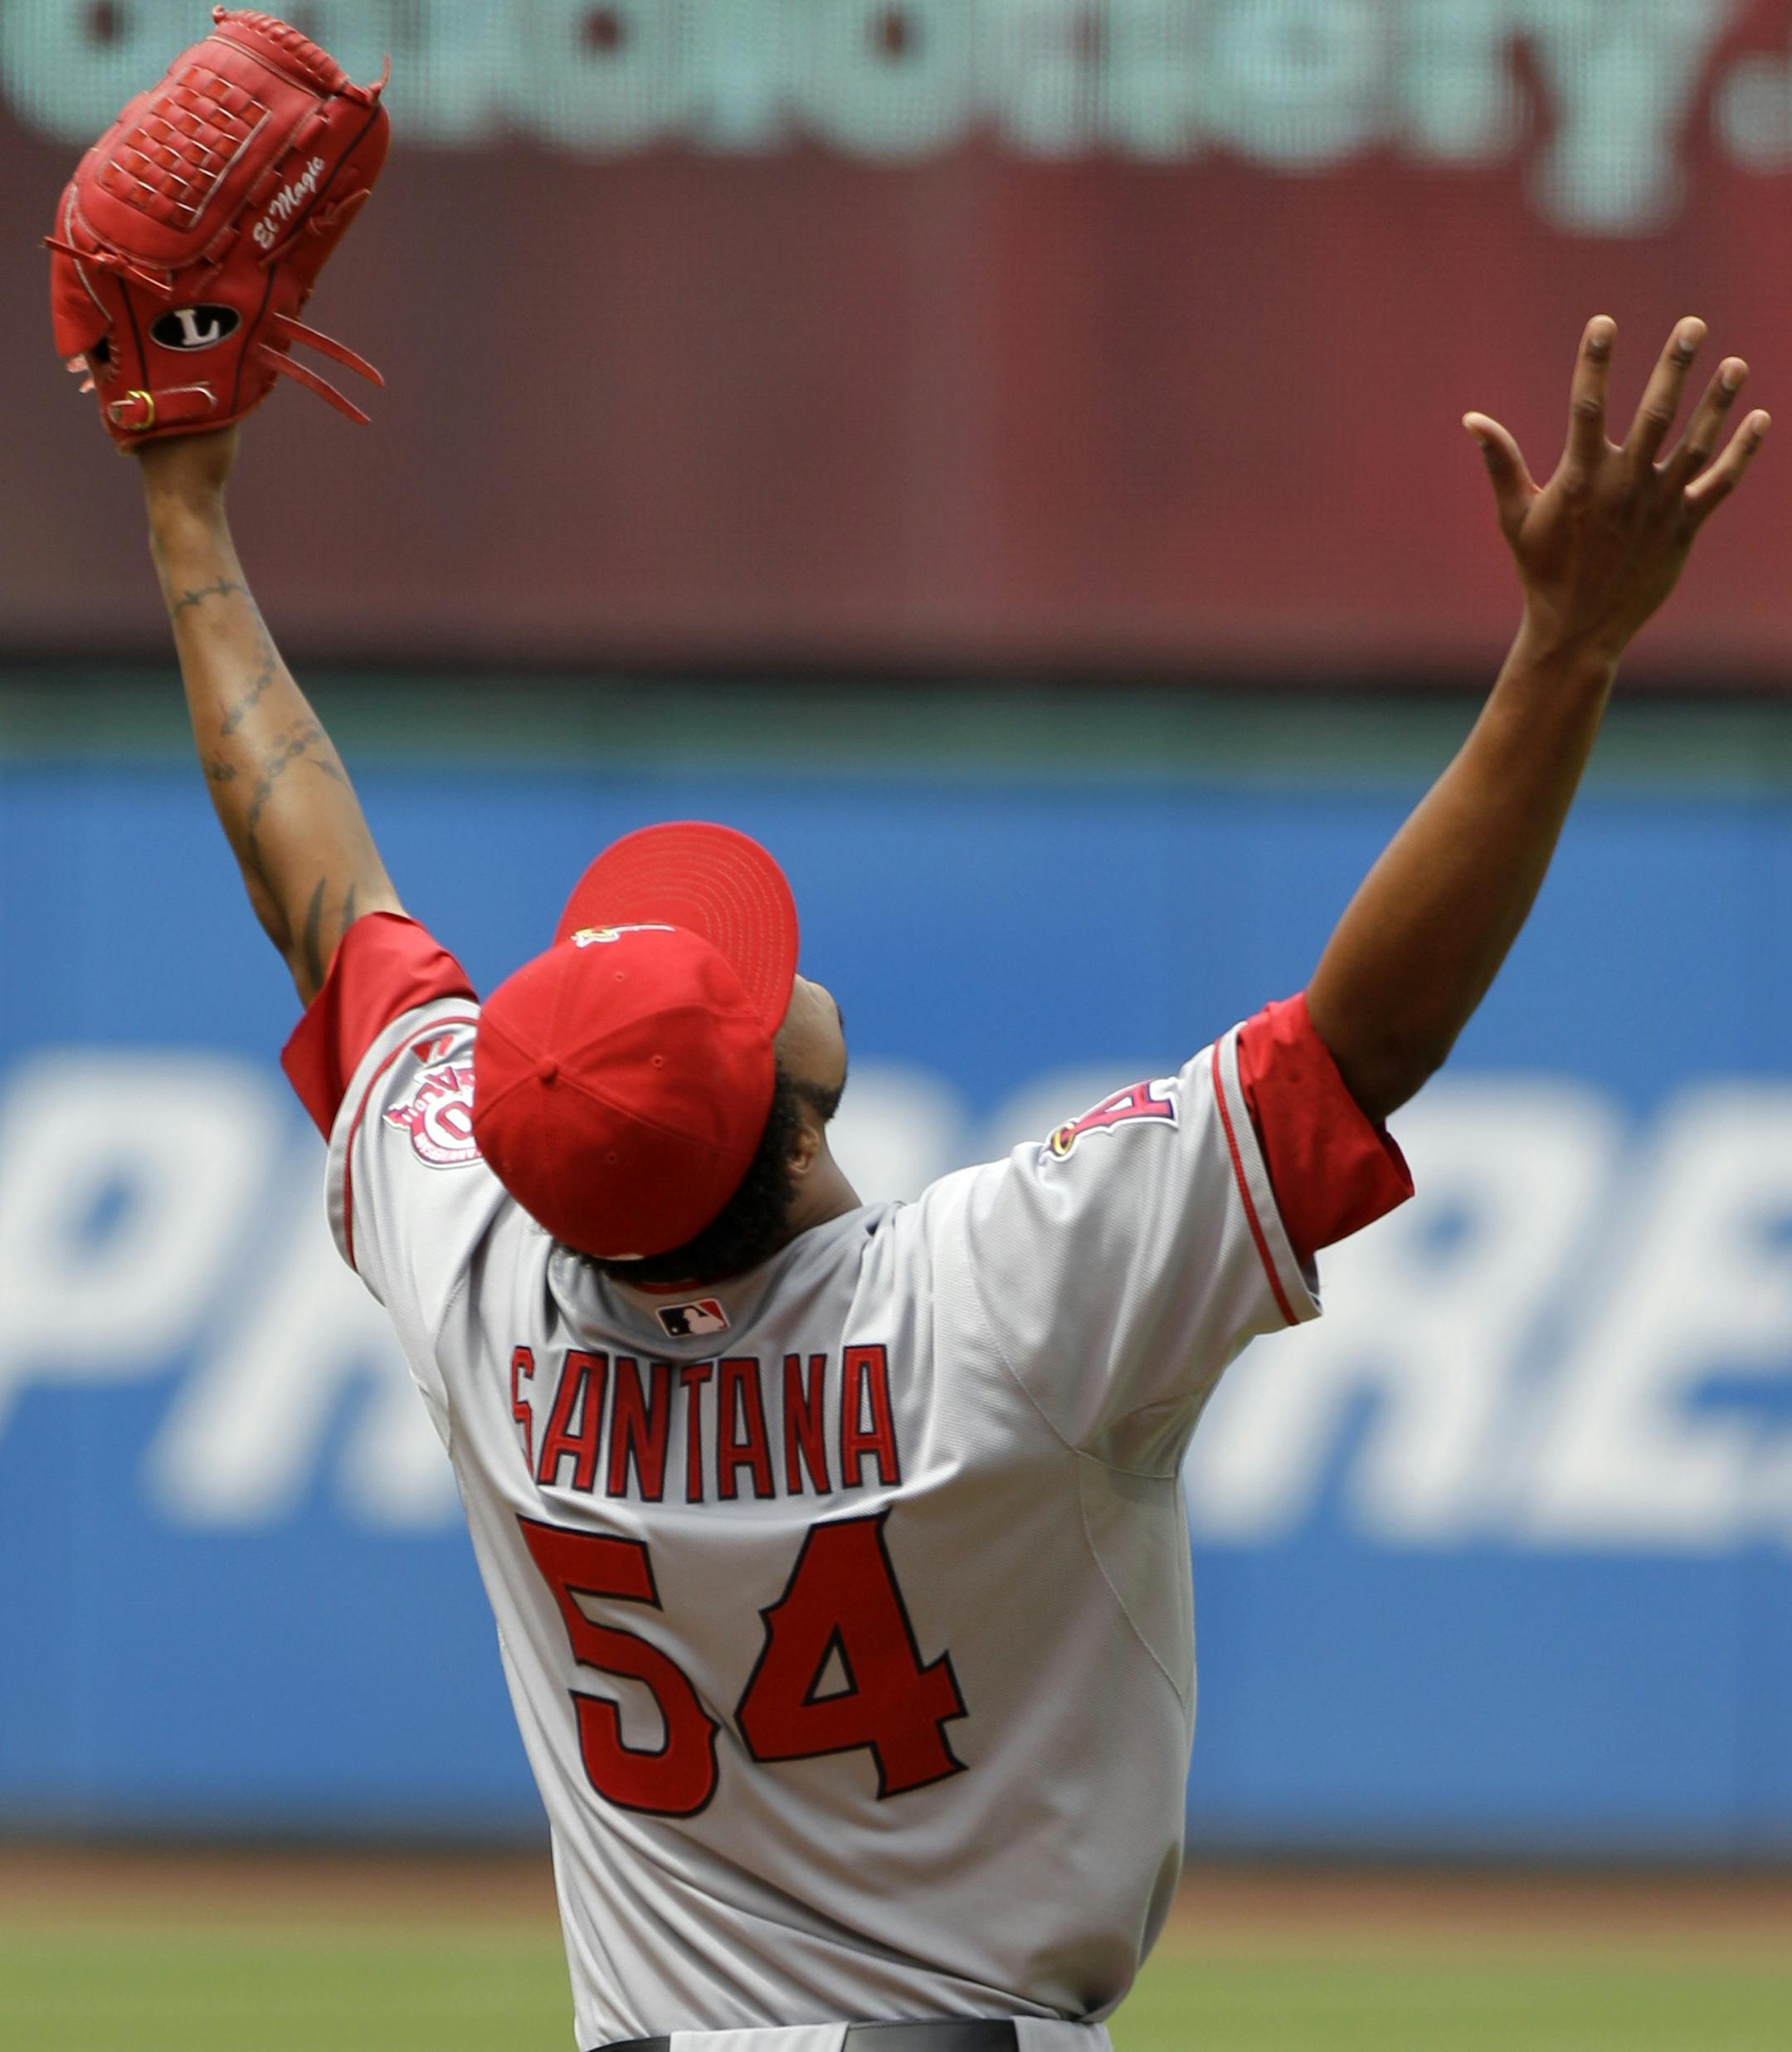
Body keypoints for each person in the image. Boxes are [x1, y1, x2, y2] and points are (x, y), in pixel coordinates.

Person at [132, 318, 1764, 2052]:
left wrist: (180, 502)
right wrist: (1569, 650)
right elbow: (1360, 1046)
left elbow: (317, 887)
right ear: (802, 1103)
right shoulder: (1003, 1305)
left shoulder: (474, 1272)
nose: (770, 970)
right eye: (748, 992)